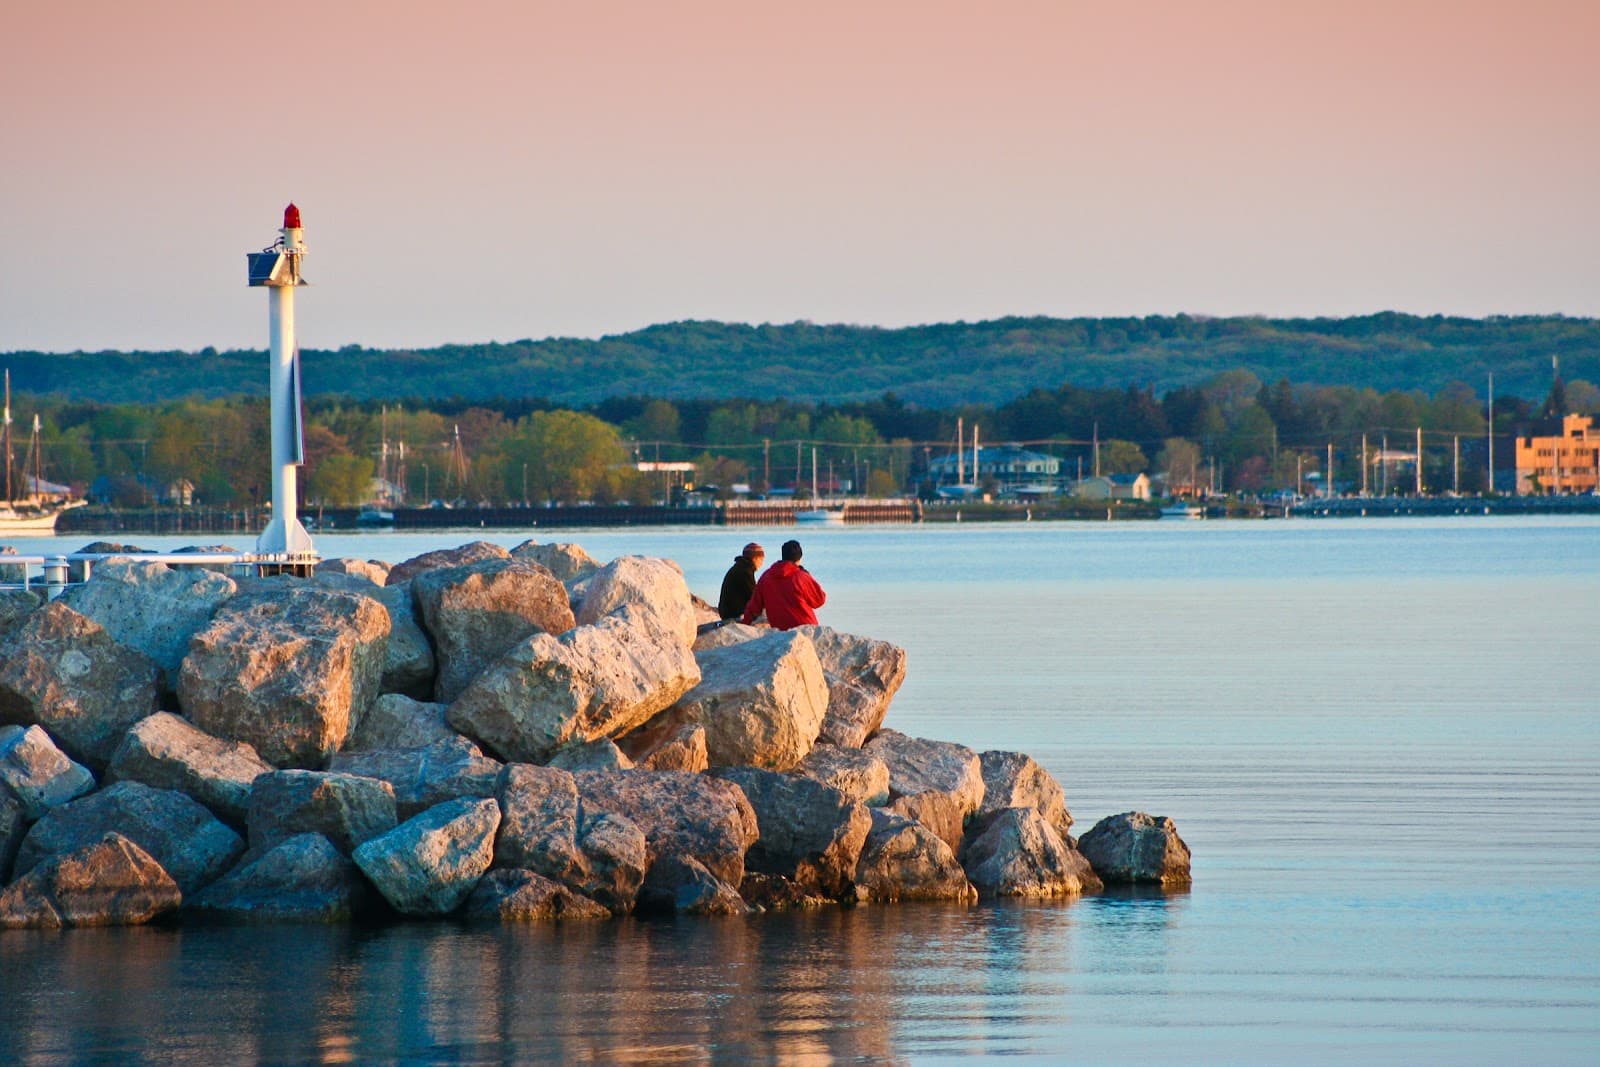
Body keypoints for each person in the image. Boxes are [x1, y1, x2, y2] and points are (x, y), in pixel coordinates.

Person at [741, 539, 826, 630]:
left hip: (780, 631)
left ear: (783, 556)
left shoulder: (766, 577)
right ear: (799, 558)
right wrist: (807, 576)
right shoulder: (801, 576)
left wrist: (744, 624)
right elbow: (819, 600)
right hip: (806, 628)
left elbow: (754, 607)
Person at [717, 542, 765, 621]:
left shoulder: (740, 567)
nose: (762, 563)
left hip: (728, 612)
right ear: (755, 558)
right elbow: (754, 596)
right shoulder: (745, 572)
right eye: (762, 560)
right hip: (734, 614)